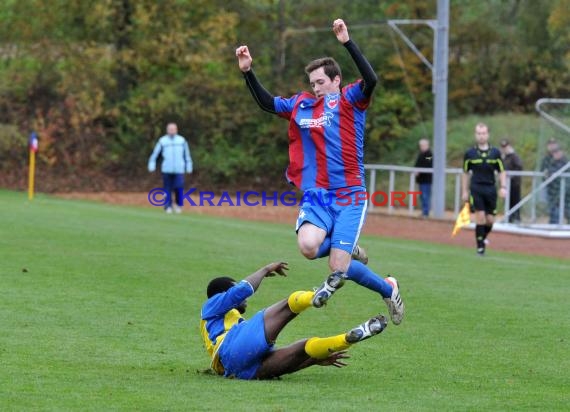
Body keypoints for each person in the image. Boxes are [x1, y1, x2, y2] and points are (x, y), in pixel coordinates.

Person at [235, 19, 404, 325]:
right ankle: (345, 244)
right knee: (308, 247)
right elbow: (267, 103)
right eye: (312, 83)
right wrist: (248, 72)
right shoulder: (302, 104)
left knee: (338, 268)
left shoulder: (351, 100)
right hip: (318, 195)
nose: (315, 88)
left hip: (351, 194)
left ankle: (387, 288)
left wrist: (347, 43)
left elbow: (372, 79)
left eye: (320, 82)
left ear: (336, 80)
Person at [200, 261, 388, 380]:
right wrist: (265, 269)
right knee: (287, 307)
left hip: (240, 371)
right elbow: (242, 290)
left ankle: (347, 338)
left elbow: (284, 367)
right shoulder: (210, 307)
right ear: (221, 296)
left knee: (304, 349)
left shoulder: (225, 323)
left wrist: (312, 361)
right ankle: (314, 297)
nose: (245, 301)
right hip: (232, 348)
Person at [461, 123, 507, 256]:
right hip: (476, 188)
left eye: (483, 133)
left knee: (490, 220)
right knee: (480, 217)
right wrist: (464, 191)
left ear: (488, 135)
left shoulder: (495, 153)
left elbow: (502, 171)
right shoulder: (470, 153)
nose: (481, 136)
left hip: (491, 189)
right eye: (478, 133)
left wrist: (503, 187)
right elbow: (465, 173)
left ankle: (483, 236)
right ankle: (480, 248)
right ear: (476, 135)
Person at [148, 123, 193, 213]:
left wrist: (189, 166)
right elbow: (155, 154)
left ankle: (178, 204)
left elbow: (187, 155)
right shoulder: (163, 141)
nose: (172, 131)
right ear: (167, 130)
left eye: (173, 129)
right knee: (167, 188)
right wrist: (151, 164)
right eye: (170, 129)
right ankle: (167, 206)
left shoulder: (182, 141)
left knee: (178, 186)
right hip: (166, 169)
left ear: (176, 130)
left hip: (179, 169)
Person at [543, 145, 570, 224]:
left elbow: (559, 172)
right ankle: (554, 225)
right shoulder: (551, 162)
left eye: (556, 152)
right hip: (553, 193)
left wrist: (550, 172)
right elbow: (545, 172)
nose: (555, 154)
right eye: (553, 153)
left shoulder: (564, 162)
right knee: (554, 213)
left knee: (565, 212)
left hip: (564, 193)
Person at [499, 139, 523, 223]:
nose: (504, 149)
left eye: (505, 147)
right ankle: (508, 218)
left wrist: (511, 177)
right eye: (503, 147)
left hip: (514, 184)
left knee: (515, 201)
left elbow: (519, 167)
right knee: (507, 202)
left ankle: (516, 218)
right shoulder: (503, 157)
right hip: (506, 184)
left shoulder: (514, 156)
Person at [414, 138, 433, 218]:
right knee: (422, 196)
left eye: (423, 145)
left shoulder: (429, 155)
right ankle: (424, 211)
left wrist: (419, 170)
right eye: (421, 145)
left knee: (425, 196)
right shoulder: (421, 154)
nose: (421, 147)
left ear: (427, 145)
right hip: (421, 180)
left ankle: (426, 212)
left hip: (426, 179)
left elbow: (428, 163)